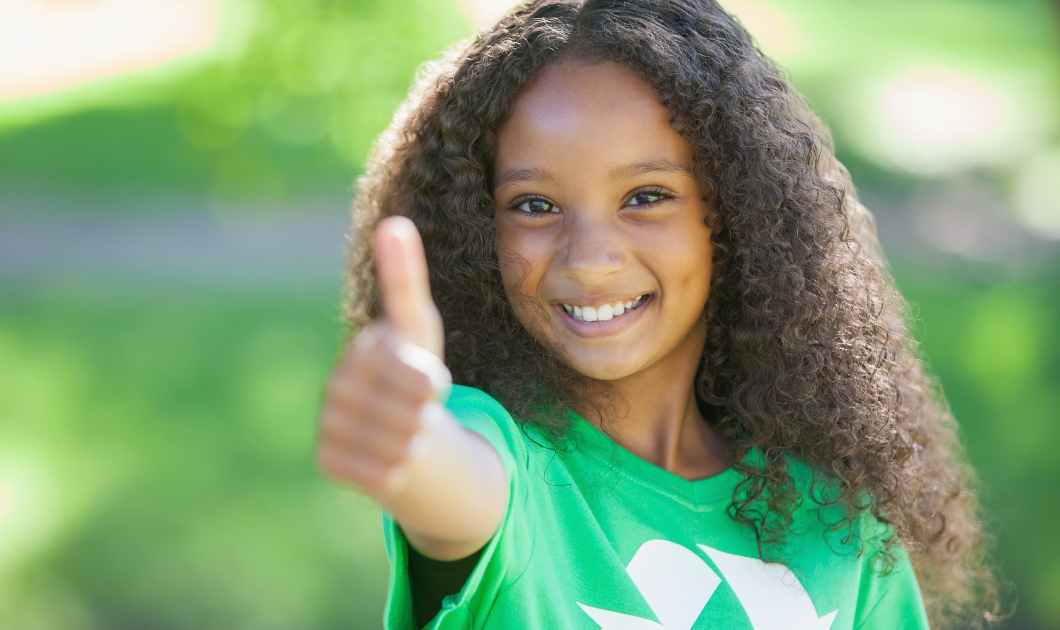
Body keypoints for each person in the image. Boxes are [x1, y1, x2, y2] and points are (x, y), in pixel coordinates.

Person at [316, 1, 998, 628]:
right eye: (534, 205)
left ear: (735, 215)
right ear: (478, 231)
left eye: (646, 196)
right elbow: (454, 486)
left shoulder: (842, 528)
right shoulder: (506, 464)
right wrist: (413, 444)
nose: (589, 260)